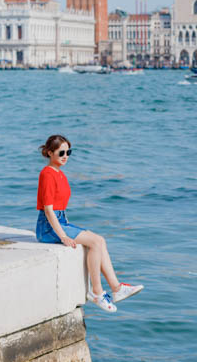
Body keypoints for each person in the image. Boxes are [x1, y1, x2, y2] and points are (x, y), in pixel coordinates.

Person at [35, 134, 143, 314]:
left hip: (60, 220)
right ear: (49, 152)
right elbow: (48, 210)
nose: (65, 156)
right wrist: (63, 236)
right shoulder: (47, 174)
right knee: (94, 242)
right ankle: (97, 292)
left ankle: (116, 289)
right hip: (48, 226)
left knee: (100, 241)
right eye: (61, 152)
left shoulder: (59, 174)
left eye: (68, 152)